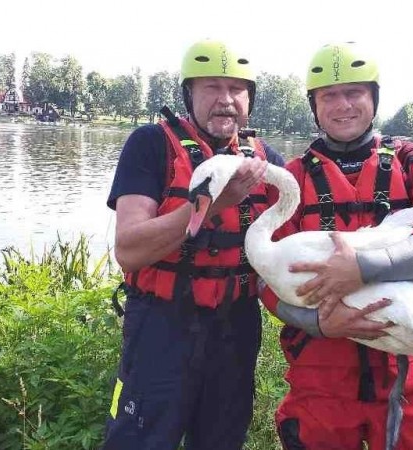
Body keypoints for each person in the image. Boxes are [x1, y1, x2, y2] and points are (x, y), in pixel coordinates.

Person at [259, 42, 413, 450]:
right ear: (315, 105)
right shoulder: (290, 181)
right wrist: (318, 323)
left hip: (406, 369)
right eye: (329, 95)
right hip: (319, 375)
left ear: (373, 98)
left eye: (354, 93)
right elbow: (264, 278)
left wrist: (368, 266)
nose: (343, 105)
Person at [102, 39, 285, 449]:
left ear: (250, 98)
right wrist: (213, 205)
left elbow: (294, 242)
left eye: (236, 89)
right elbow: (128, 250)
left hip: (236, 326)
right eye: (210, 88)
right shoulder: (150, 144)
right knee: (138, 441)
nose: (225, 100)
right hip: (160, 325)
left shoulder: (265, 159)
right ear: (189, 94)